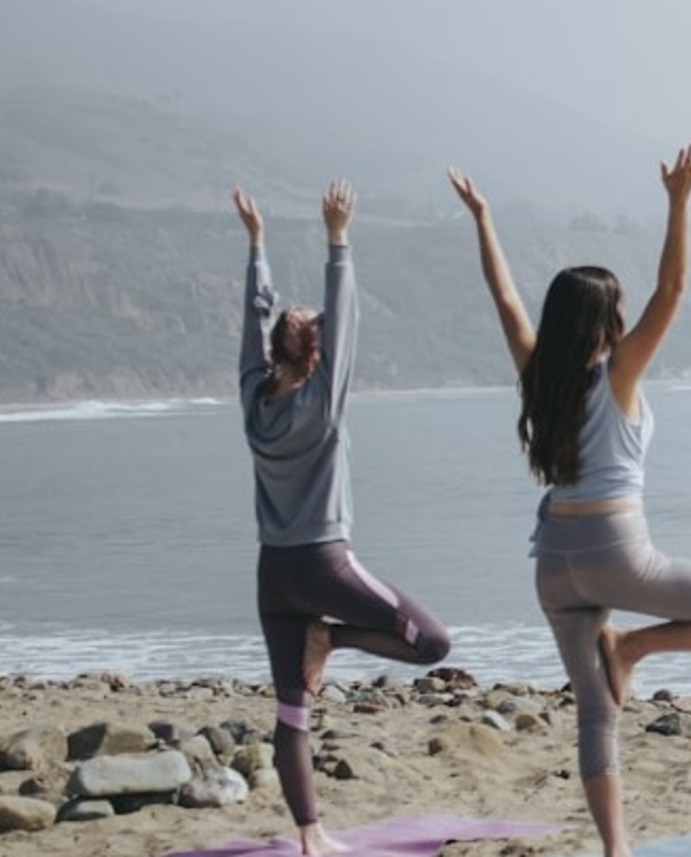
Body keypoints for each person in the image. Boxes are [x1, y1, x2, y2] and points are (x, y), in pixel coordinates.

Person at [448, 149, 691, 857]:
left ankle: (615, 850)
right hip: (616, 554)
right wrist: (679, 201)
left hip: (552, 565)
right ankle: (636, 644)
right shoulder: (618, 373)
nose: (630, 316)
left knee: (596, 713)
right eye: (620, 308)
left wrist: (482, 219)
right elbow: (674, 289)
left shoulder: (539, 376)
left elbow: (504, 300)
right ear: (606, 317)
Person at [235, 181, 454, 856]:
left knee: (291, 710)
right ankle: (331, 639)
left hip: (273, 574)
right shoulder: (323, 404)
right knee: (432, 643)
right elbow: (346, 317)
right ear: (317, 354)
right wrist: (338, 240)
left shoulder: (253, 400)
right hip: (324, 564)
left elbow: (253, 322)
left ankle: (310, 835)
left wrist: (258, 247)